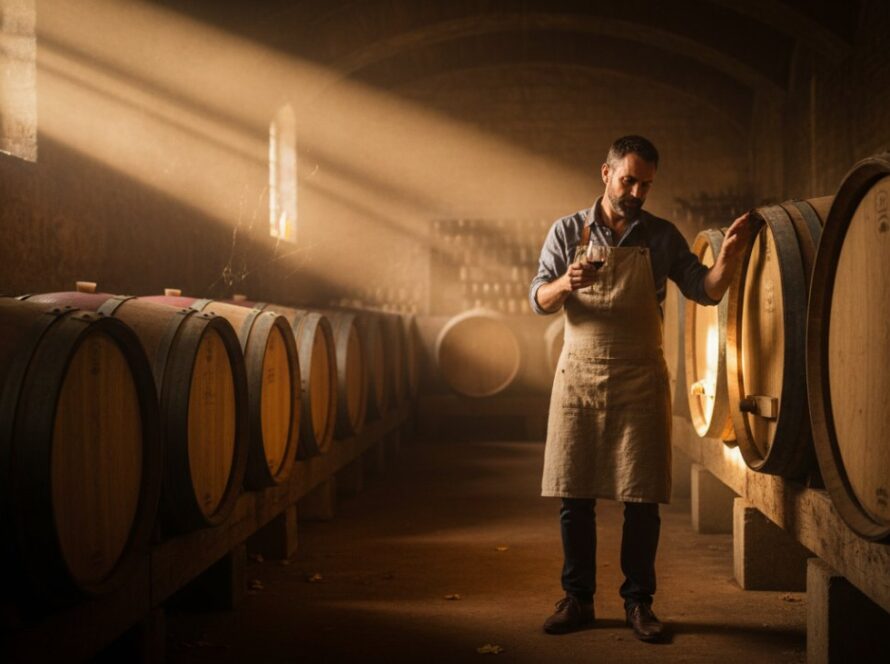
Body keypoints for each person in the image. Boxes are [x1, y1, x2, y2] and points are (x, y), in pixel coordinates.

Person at [529, 135, 751, 642]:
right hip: (581, 374)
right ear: (604, 173)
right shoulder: (567, 231)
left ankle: (638, 603)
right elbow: (538, 298)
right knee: (575, 493)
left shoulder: (661, 236)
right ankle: (578, 598)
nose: (636, 192)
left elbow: (705, 290)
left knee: (642, 495)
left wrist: (728, 261)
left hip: (639, 375)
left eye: (645, 184)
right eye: (628, 180)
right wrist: (567, 282)